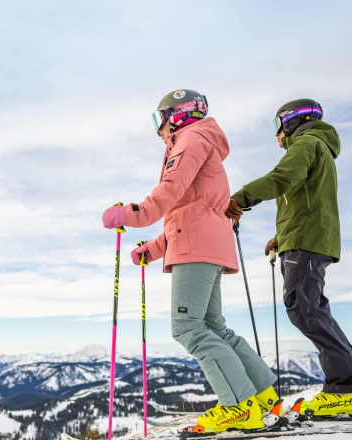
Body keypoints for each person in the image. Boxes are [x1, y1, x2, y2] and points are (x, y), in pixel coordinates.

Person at [102, 89, 280, 433]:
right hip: (205, 245)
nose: (158, 130)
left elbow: (169, 193)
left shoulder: (190, 140)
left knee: (188, 328)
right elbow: (191, 210)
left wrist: (131, 213)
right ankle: (262, 398)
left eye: (160, 119)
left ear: (179, 114)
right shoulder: (202, 142)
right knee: (214, 327)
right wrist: (152, 249)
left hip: (196, 249)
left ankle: (238, 408)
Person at [225, 99, 352, 416]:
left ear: (291, 122)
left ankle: (348, 387)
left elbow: (280, 179)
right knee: (311, 308)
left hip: (307, 240)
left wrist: (238, 198)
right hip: (306, 237)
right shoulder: (318, 146)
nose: (277, 137)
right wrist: (283, 237)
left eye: (278, 128)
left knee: (303, 307)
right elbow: (308, 200)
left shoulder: (306, 144)